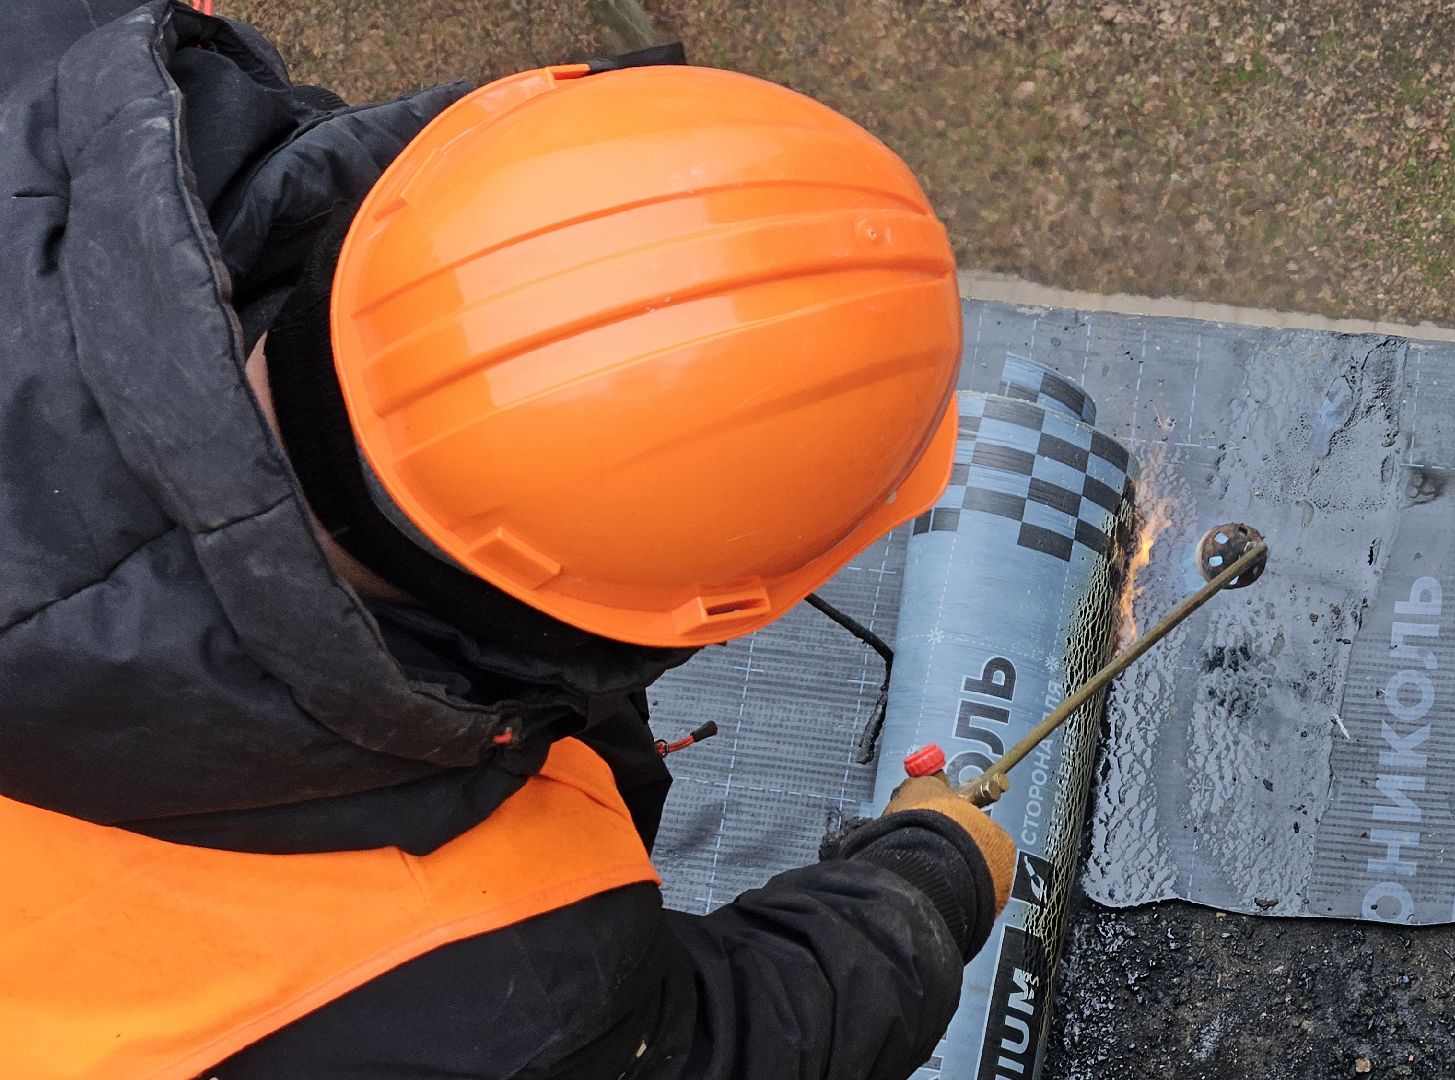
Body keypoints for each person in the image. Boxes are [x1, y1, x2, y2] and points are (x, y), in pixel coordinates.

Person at [0, 2, 1015, 1078]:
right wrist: (928, 883)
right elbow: (710, 1048)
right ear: (712, 606)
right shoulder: (493, 978)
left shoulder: (56, 74)